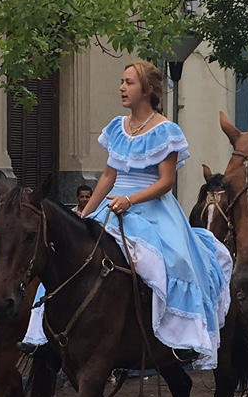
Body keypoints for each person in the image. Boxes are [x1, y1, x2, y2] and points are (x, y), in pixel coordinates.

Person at [75, 60, 232, 367]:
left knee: (176, 261)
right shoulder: (117, 128)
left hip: (152, 209)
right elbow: (108, 177)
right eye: (122, 81)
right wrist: (86, 213)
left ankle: (178, 339)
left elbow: (166, 182)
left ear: (147, 90)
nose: (122, 87)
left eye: (129, 83)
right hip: (114, 205)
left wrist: (130, 200)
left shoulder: (166, 130)